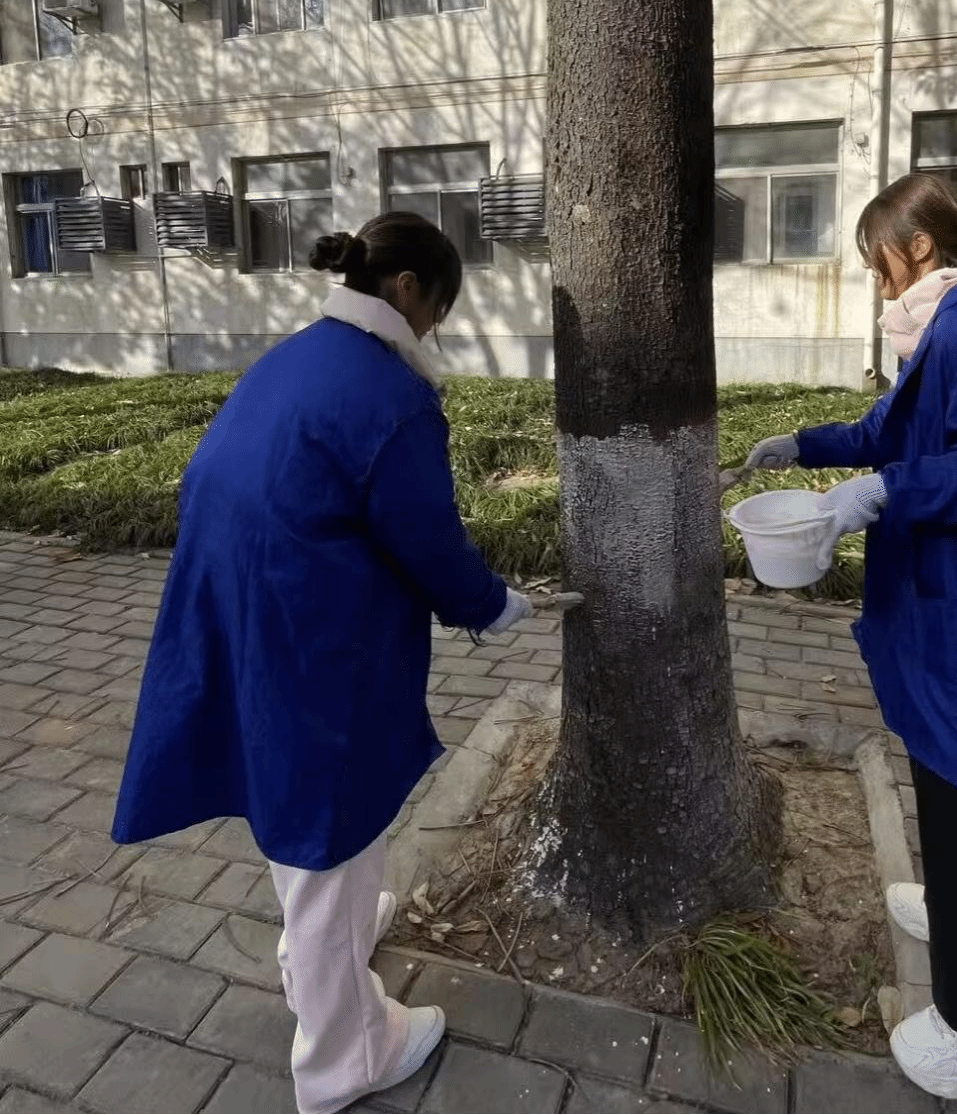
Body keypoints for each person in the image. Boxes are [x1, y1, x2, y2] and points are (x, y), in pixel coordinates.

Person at [111, 211, 534, 1115]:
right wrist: (491, 604)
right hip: (315, 638)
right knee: (328, 829)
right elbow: (428, 537)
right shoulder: (389, 393)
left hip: (240, 612)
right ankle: (345, 1054)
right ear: (408, 289)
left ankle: (322, 951)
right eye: (440, 308)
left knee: (302, 817)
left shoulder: (294, 357)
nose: (436, 329)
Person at [742, 173, 957, 1101]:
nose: (873, 275)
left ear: (919, 245)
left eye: (876, 256)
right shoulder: (941, 330)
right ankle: (950, 903)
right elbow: (893, 429)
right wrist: (807, 446)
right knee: (947, 777)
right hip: (956, 610)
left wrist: (885, 491)